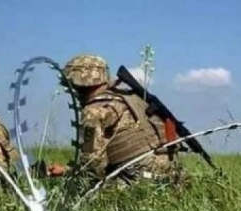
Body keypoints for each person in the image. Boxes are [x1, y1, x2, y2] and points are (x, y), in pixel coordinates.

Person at [58, 53, 184, 186]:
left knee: (89, 192)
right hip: (172, 172)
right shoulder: (130, 96)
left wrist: (69, 175)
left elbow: (92, 166)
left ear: (78, 84)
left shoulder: (94, 111)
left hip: (142, 179)